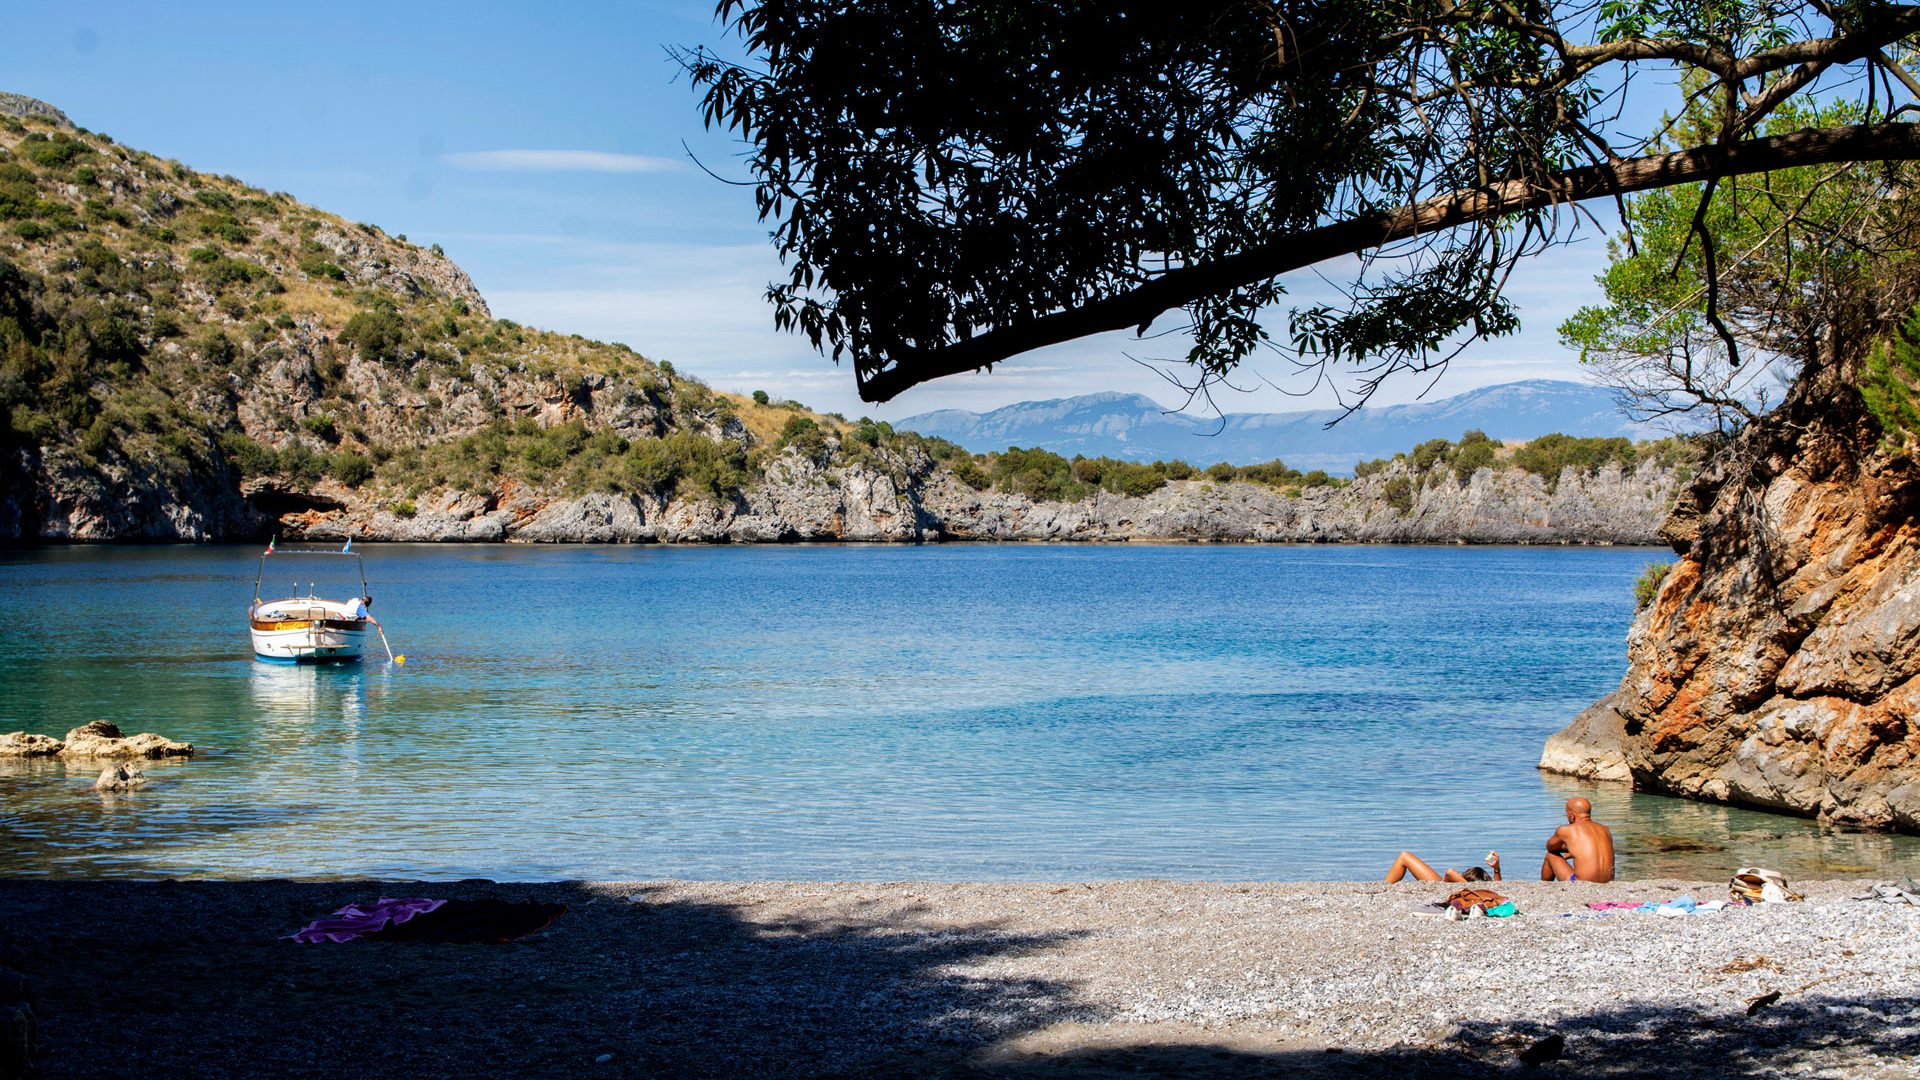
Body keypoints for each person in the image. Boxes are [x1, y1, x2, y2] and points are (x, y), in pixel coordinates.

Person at [1541, 797, 1615, 883]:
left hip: (1580, 883)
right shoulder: (1605, 829)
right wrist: (1571, 852)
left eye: (1567, 814)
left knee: (1550, 855)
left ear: (1572, 816)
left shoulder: (1566, 830)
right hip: (1607, 882)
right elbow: (1592, 850)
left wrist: (1568, 848)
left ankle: (1544, 886)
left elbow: (1550, 847)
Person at [1385, 850, 1500, 883]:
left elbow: (1449, 872)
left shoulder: (1461, 886)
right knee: (1404, 856)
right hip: (1441, 882)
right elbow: (1497, 886)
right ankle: (1386, 885)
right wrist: (1496, 869)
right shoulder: (1485, 893)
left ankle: (1386, 885)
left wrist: (1465, 884)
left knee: (1404, 856)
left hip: (1438, 883)